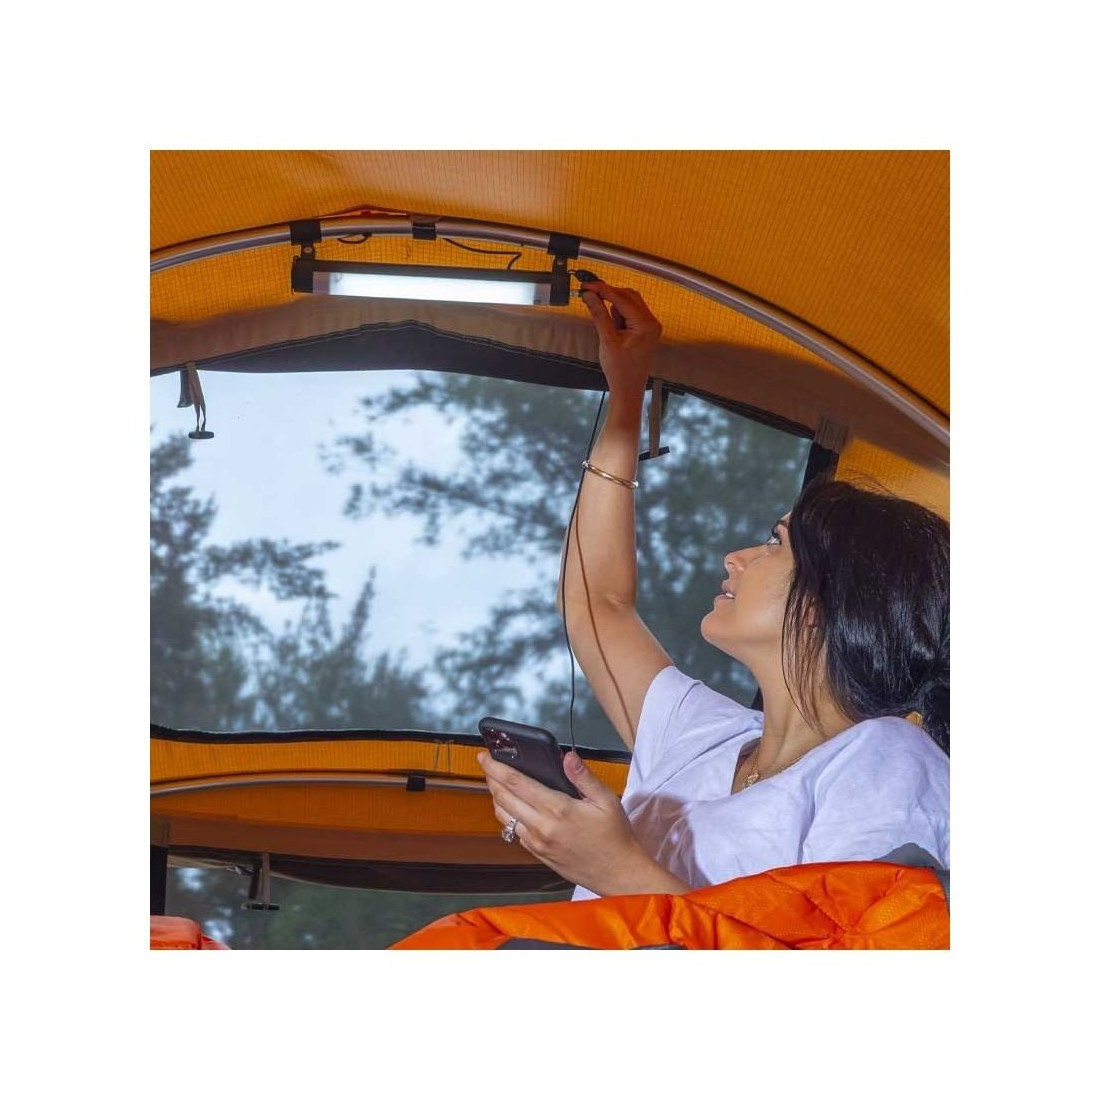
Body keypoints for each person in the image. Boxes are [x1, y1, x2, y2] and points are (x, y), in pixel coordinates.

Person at [477, 280, 949, 901]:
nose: (736, 557)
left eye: (777, 543)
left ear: (827, 600)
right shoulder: (704, 734)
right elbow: (598, 606)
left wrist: (614, 870)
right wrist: (626, 395)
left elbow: (846, 956)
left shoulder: (889, 759)